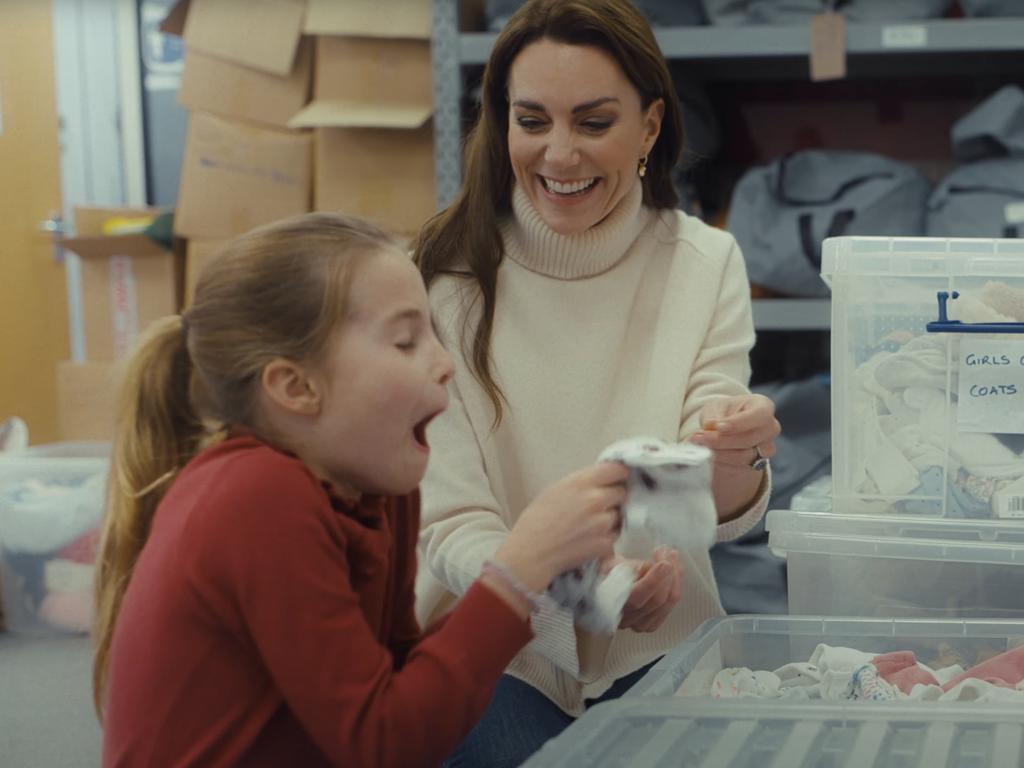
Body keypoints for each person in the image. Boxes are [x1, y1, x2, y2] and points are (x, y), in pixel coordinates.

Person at [92, 213, 629, 767]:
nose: (445, 365)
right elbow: (384, 743)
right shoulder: (255, 498)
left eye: (434, 336)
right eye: (404, 341)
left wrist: (550, 582)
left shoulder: (381, 487)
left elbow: (401, 687)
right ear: (296, 387)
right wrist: (516, 572)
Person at [412, 0, 781, 764]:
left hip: (660, 642)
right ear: (501, 122)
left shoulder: (703, 263)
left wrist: (736, 456)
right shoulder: (439, 278)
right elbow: (449, 523)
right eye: (533, 120)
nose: (559, 154)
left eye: (592, 122)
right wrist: (597, 592)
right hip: (497, 645)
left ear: (649, 128)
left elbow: (702, 505)